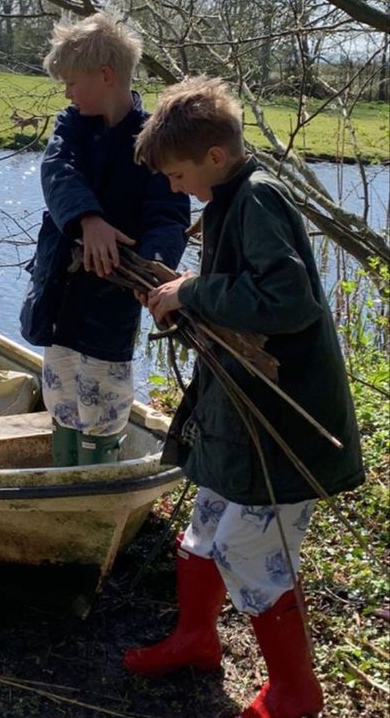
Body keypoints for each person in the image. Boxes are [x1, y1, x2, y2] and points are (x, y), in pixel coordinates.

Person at [123, 76, 364, 718]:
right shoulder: (230, 196)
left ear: (215, 158)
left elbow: (288, 302)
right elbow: (241, 282)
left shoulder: (257, 199)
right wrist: (186, 288)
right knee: (206, 527)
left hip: (287, 418)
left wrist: (193, 294)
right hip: (245, 412)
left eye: (177, 175)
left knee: (246, 547)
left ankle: (295, 694)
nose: (175, 189)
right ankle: (196, 639)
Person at [20, 11, 190, 466]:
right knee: (60, 393)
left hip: (112, 298)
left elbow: (168, 216)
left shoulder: (153, 141)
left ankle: (96, 486)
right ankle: (64, 482)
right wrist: (88, 220)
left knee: (105, 399)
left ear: (106, 75)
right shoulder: (70, 126)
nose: (68, 92)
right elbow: (58, 173)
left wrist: (152, 268)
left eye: (72, 82)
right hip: (58, 293)